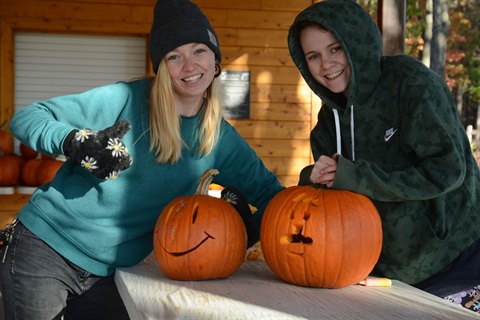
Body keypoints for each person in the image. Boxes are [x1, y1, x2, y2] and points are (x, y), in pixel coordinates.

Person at [0, 0, 284, 318]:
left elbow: (276, 201)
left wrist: (237, 236)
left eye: (199, 51)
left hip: (114, 273)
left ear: (215, 58)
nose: (190, 66)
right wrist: (72, 143)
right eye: (174, 56)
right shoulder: (125, 99)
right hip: (46, 248)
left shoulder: (220, 138)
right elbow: (26, 117)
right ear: (161, 66)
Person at [288, 0, 480, 313]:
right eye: (313, 56)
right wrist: (314, 177)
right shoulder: (328, 123)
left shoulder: (412, 84)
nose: (326, 64)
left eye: (335, 48)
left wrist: (354, 176)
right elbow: (334, 199)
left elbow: (446, 170)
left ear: (357, 41)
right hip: (386, 276)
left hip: (456, 260)